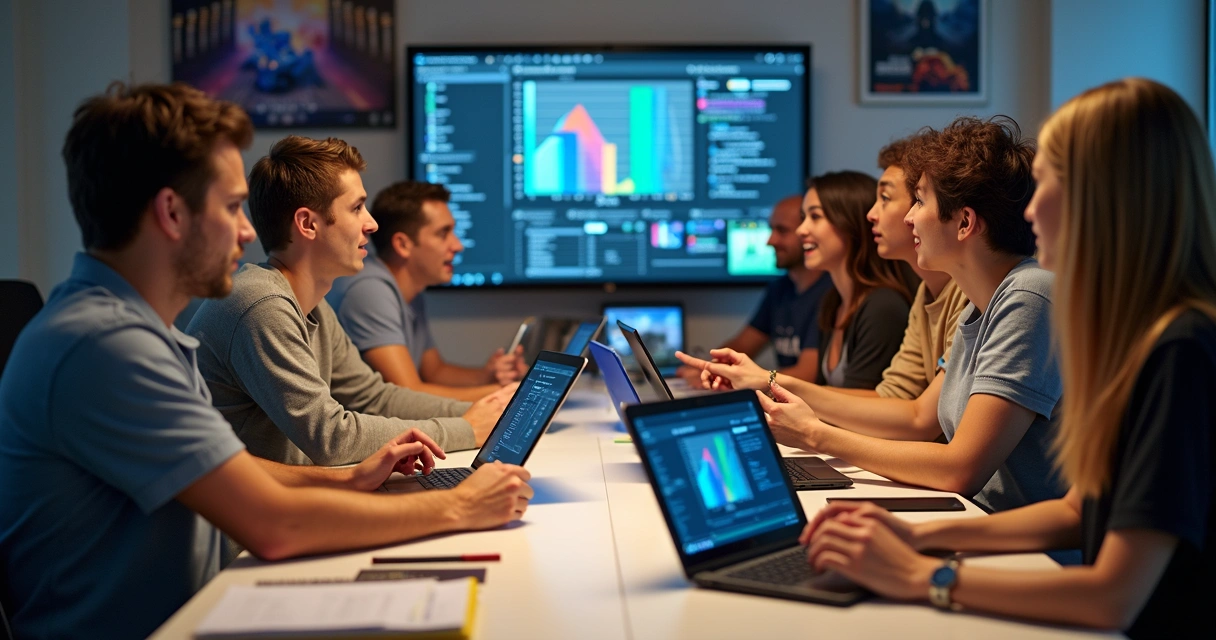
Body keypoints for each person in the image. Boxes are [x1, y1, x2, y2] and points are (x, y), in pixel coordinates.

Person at [0, 83, 533, 639]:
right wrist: (461, 507)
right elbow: (275, 526)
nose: (250, 230)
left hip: (203, 607)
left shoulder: (131, 328)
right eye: (231, 208)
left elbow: (229, 466)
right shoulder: (105, 345)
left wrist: (347, 480)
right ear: (172, 213)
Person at [801, 78, 1216, 638]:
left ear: (1107, 196)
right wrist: (918, 539)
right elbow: (1077, 512)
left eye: (1049, 184)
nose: (1032, 208)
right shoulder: (1136, 336)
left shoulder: (1181, 349)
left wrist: (923, 577)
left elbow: (1114, 597)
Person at [684, 117, 1060, 515]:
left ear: (965, 222)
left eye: (919, 201)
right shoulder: (979, 304)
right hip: (974, 518)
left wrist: (815, 435)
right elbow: (917, 414)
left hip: (1021, 546)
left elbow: (960, 469)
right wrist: (770, 380)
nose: (909, 218)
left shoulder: (1028, 296)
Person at [187, 136, 513, 467]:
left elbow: (374, 397)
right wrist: (465, 428)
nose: (371, 224)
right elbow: (331, 437)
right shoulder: (262, 304)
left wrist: (481, 415)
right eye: (357, 208)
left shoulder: (311, 304)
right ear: (308, 224)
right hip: (245, 515)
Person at [679, 136, 968, 417]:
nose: (871, 214)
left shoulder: (895, 304)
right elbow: (891, 398)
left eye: (814, 217)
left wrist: (768, 385)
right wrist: (762, 385)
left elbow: (919, 419)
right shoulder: (914, 298)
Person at [327, 181, 525, 402]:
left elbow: (434, 371)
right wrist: (509, 394)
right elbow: (408, 395)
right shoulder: (369, 291)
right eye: (443, 233)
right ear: (402, 244)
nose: (458, 245)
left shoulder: (411, 292)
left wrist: (487, 376)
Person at [674, 195, 830, 385]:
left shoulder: (830, 293)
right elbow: (742, 345)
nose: (770, 241)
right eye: (772, 230)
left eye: (782, 231)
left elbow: (807, 374)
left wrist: (744, 379)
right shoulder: (780, 289)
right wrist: (709, 369)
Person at [796, 171, 917, 389]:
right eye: (803, 218)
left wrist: (769, 381)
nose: (801, 230)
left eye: (815, 216)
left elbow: (855, 404)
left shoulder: (882, 307)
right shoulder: (832, 302)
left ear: (850, 222)